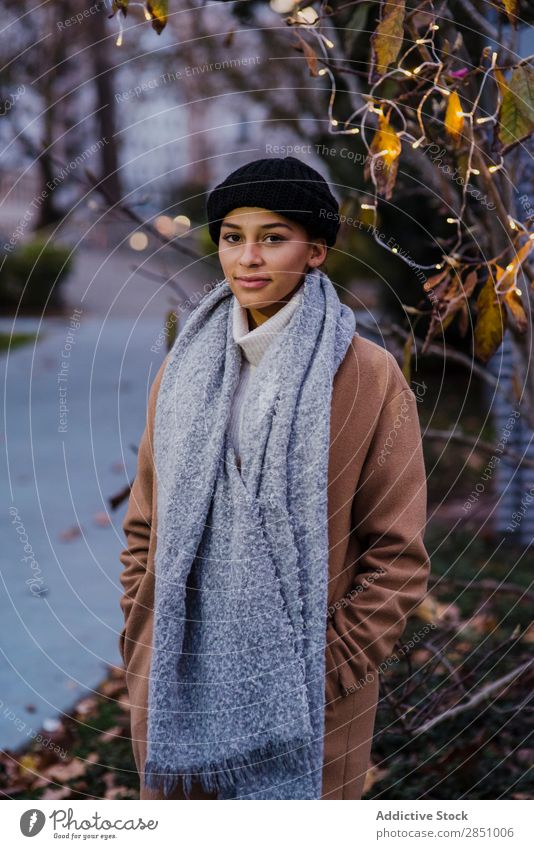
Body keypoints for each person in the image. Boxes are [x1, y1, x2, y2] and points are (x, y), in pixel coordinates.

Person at [118, 156, 431, 800]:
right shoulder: (181, 375)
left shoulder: (366, 377)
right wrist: (146, 640)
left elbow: (396, 558)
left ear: (315, 251)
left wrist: (317, 672)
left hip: (310, 709)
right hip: (183, 692)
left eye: (273, 237)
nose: (248, 258)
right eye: (233, 237)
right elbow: (144, 530)